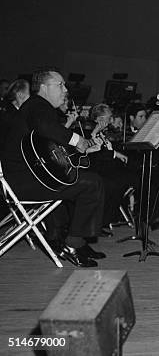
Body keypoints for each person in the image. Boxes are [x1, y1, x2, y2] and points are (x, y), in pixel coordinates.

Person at [0, 68, 105, 267]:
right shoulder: (38, 105)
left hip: (28, 178)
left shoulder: (35, 107)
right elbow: (46, 128)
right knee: (92, 183)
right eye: (60, 85)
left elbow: (47, 148)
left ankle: (75, 241)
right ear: (44, 88)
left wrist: (77, 152)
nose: (65, 90)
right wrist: (77, 140)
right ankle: (74, 243)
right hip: (25, 182)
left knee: (83, 177)